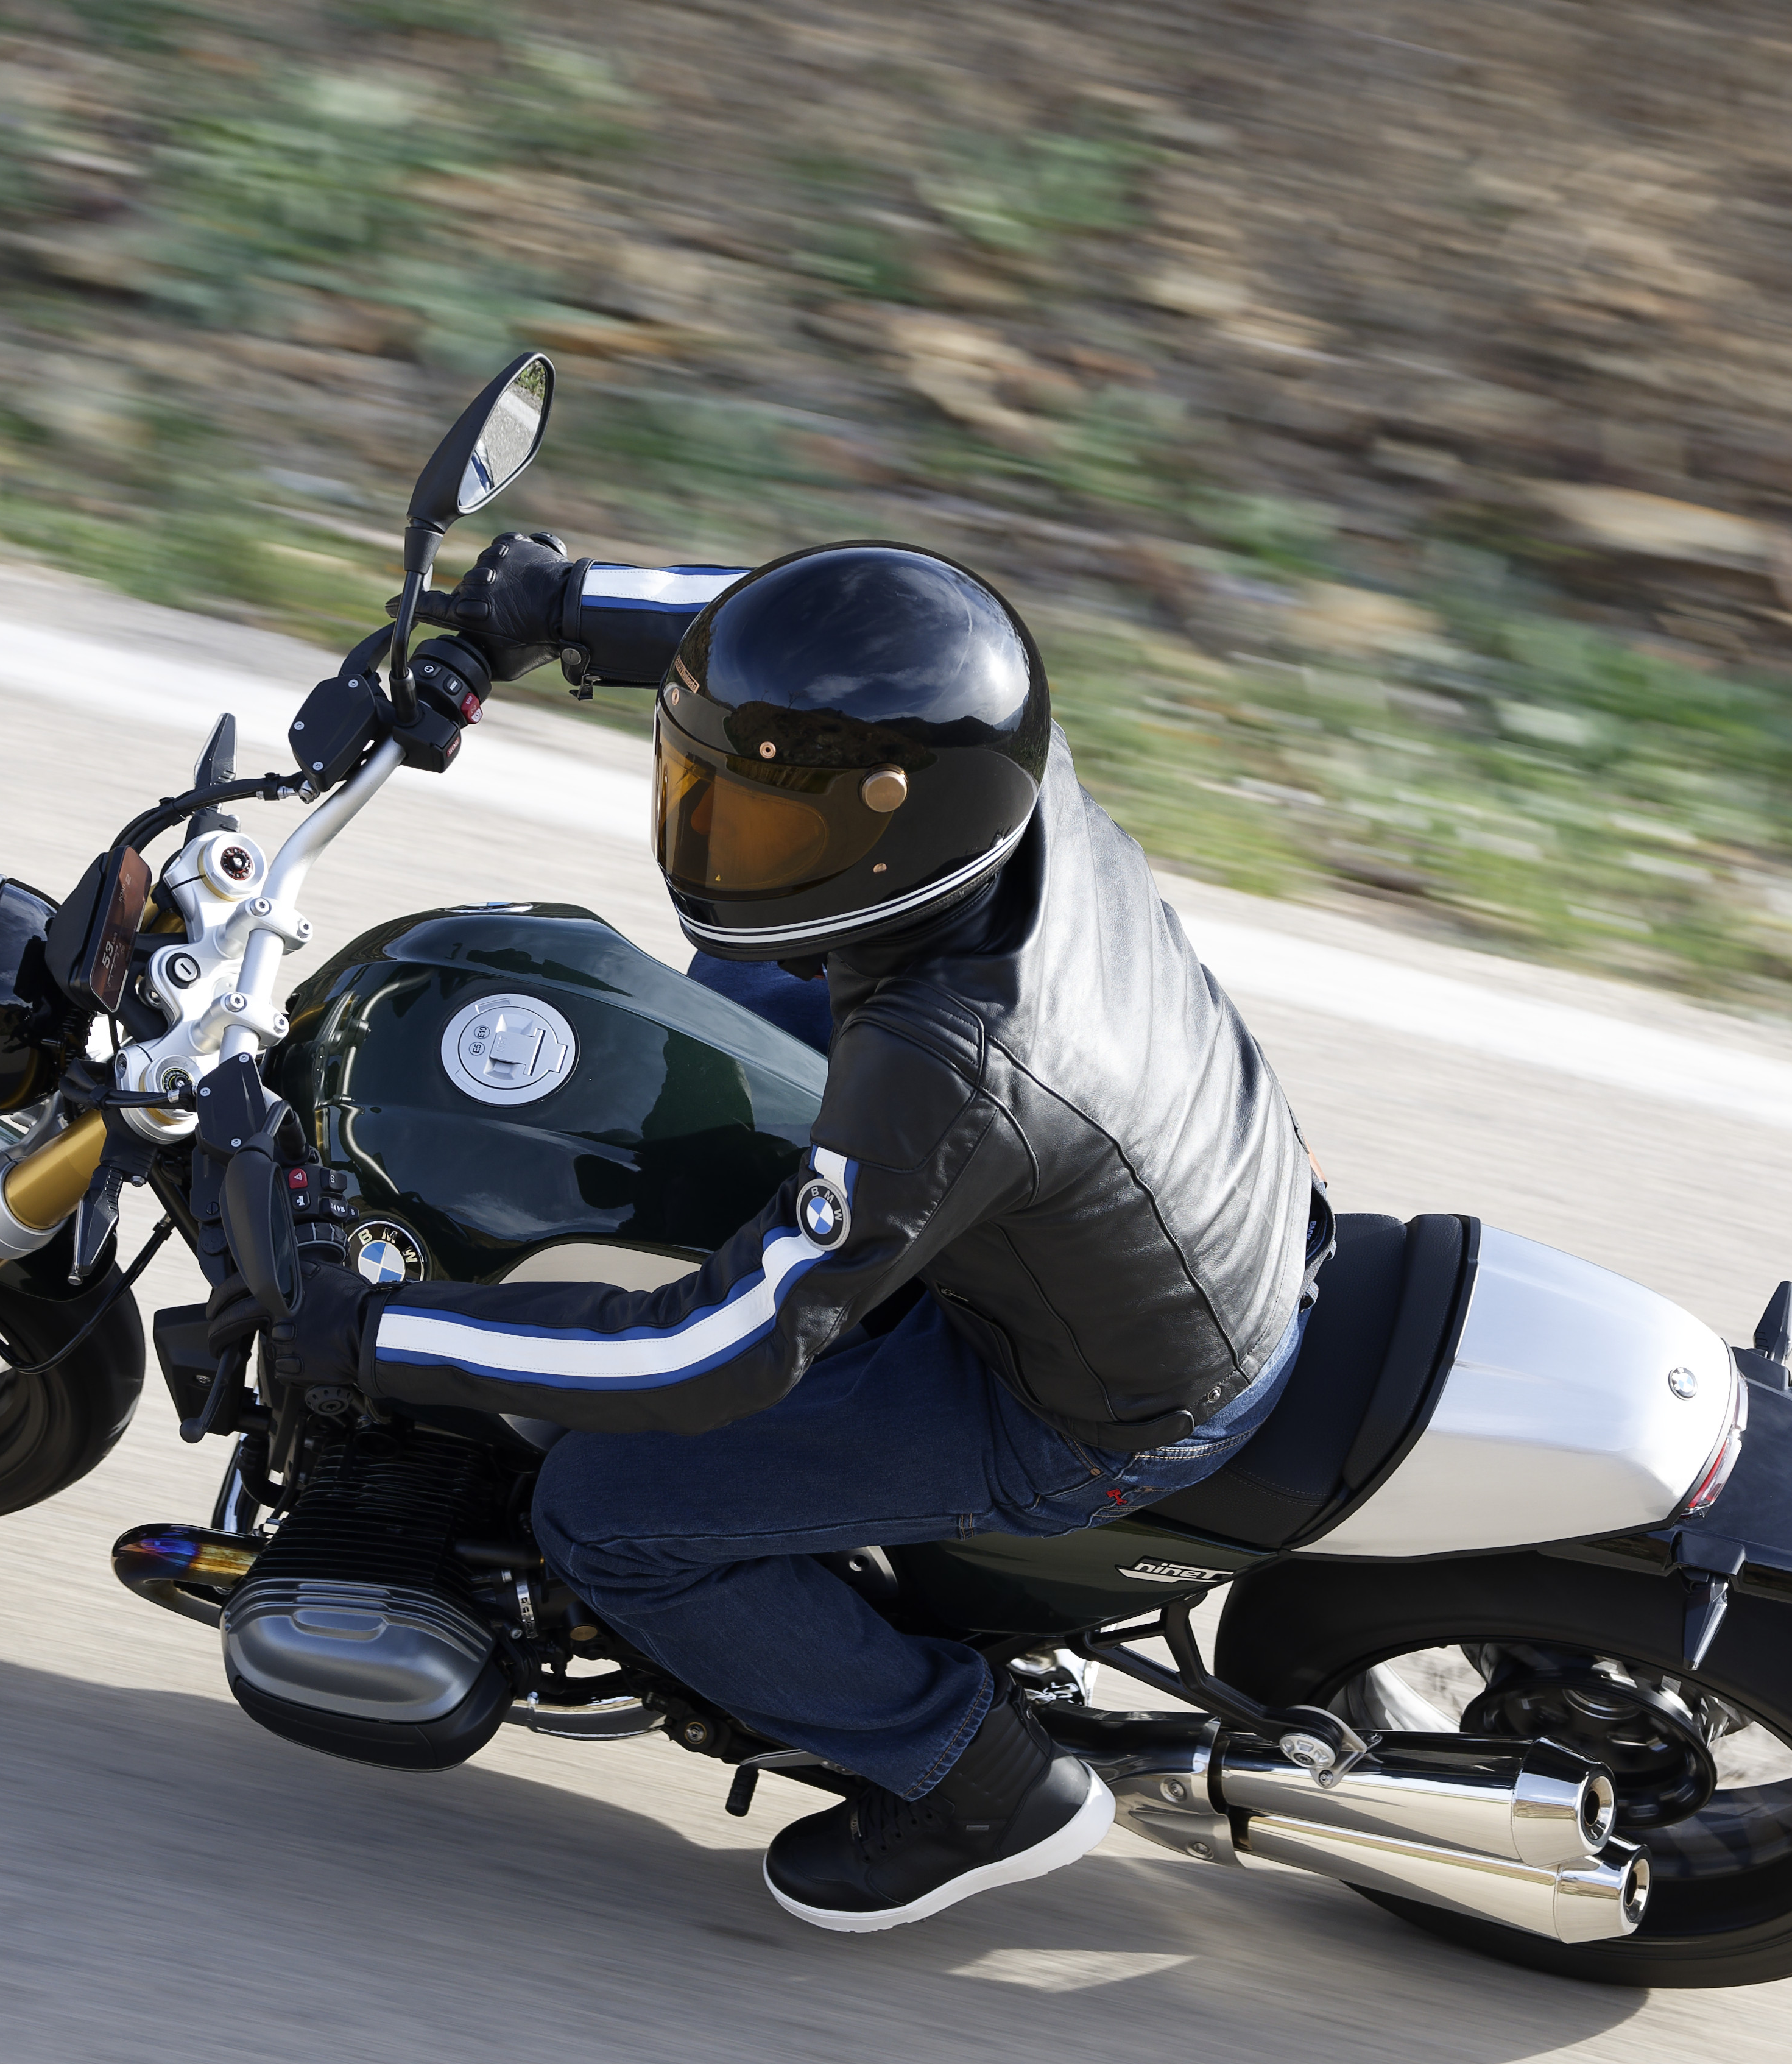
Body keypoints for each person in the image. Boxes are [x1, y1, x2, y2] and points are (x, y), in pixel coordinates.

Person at [245, 537, 1324, 1932]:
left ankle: (974, 1779)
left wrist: (383, 1333)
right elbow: (807, 645)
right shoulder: (983, 748)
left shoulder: (946, 1063)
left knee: (609, 1512)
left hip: (1107, 1398)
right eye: (710, 792)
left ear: (897, 824)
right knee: (720, 988)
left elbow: (713, 1351)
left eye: (766, 822)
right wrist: (554, 606)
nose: (712, 832)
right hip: (1177, 1191)